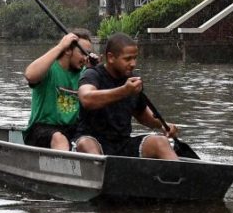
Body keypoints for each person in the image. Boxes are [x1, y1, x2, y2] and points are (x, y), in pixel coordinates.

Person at [74, 32, 179, 160]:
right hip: (92, 140)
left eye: (135, 58)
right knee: (87, 144)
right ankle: (102, 176)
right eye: (128, 59)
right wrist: (124, 91)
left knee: (161, 142)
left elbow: (142, 114)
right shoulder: (92, 74)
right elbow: (86, 99)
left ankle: (180, 177)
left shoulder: (132, 81)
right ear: (111, 57)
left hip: (122, 143)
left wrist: (163, 125)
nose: (133, 63)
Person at [23, 30, 95, 150]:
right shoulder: (49, 69)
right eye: (83, 53)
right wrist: (61, 46)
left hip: (72, 129)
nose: (86, 58)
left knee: (90, 140)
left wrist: (95, 71)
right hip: (42, 129)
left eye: (89, 54)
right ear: (68, 50)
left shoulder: (85, 74)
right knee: (59, 138)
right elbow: (30, 75)